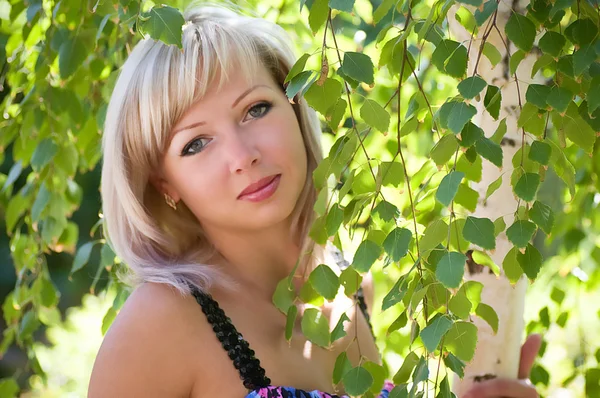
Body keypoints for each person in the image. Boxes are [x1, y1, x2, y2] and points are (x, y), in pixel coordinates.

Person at [88, 3, 541, 397]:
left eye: (255, 109)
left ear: (295, 105)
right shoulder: (159, 327)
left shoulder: (350, 287)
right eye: (196, 144)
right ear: (163, 185)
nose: (243, 157)